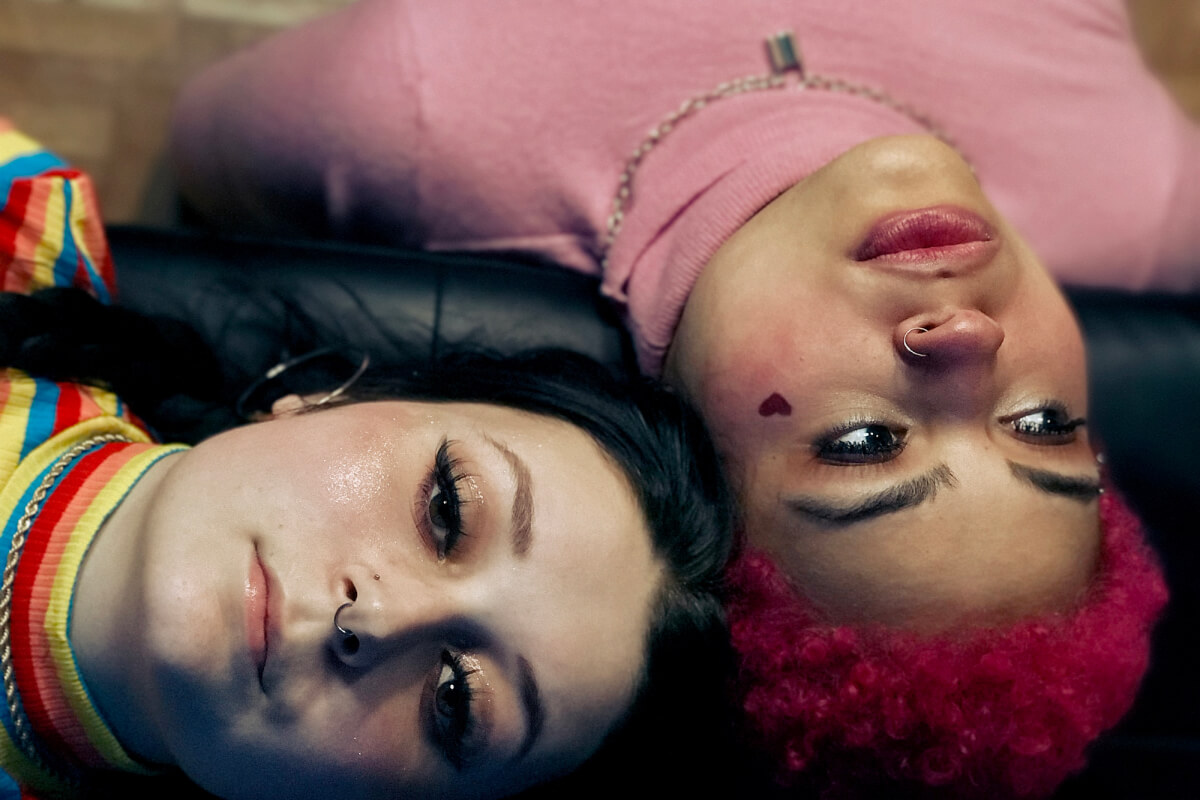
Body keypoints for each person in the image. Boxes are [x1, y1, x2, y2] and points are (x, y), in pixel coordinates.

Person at [167, 0, 1184, 793]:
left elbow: (198, 153)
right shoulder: (1148, 200)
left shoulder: (405, 104)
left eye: (867, 440)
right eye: (1043, 426)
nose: (967, 339)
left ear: (682, 459)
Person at [0, 120, 736, 799]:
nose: (379, 617)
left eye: (456, 699)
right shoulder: (21, 219)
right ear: (331, 396)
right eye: (448, 510)